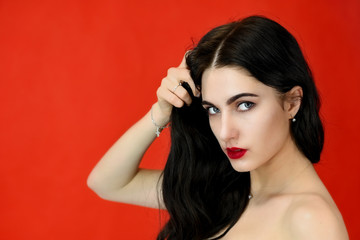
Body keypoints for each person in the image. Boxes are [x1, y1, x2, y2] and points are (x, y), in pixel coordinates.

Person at [87, 16, 349, 239]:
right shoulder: (221, 192)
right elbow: (107, 183)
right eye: (213, 109)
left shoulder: (311, 221)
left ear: (292, 102)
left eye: (245, 105)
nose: (225, 132)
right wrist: (161, 110)